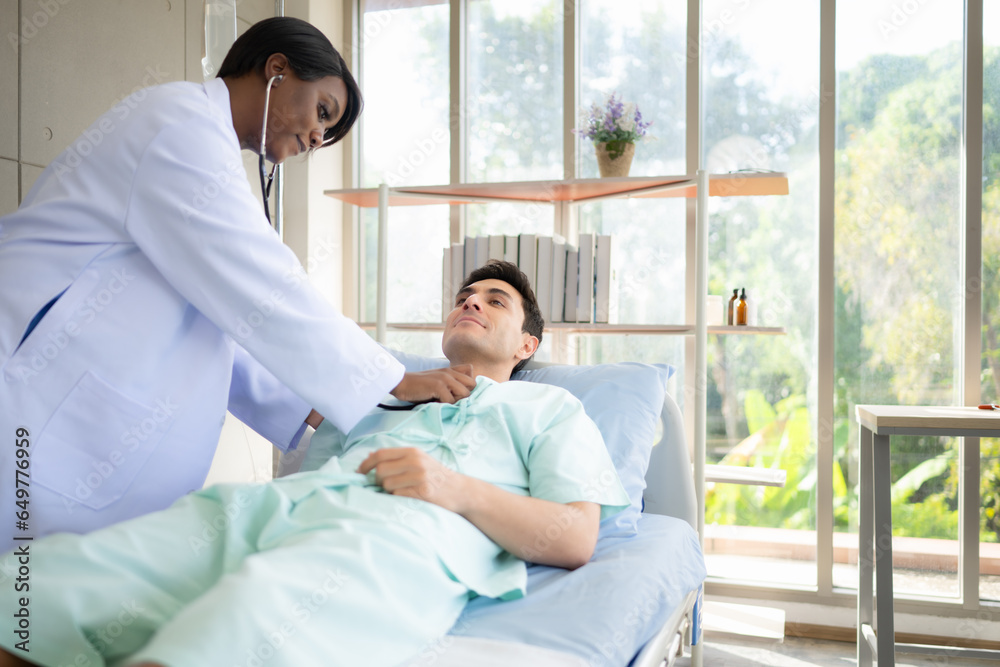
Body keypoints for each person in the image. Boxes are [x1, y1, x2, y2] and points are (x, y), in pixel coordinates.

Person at [0, 261, 630, 667]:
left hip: (398, 533)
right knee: (51, 584)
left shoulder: (549, 407)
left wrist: (454, 488)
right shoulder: (384, 395)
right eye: (465, 296)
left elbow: (574, 537)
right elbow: (276, 370)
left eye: (495, 301)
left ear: (527, 344)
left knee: (242, 621)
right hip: (269, 508)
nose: (471, 303)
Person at [0, 17, 475, 552]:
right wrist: (392, 379)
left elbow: (225, 323)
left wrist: (319, 404)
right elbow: (265, 284)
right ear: (277, 70)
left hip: (78, 435)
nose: (318, 137)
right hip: (32, 390)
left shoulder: (208, 147)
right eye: (323, 111)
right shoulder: (178, 124)